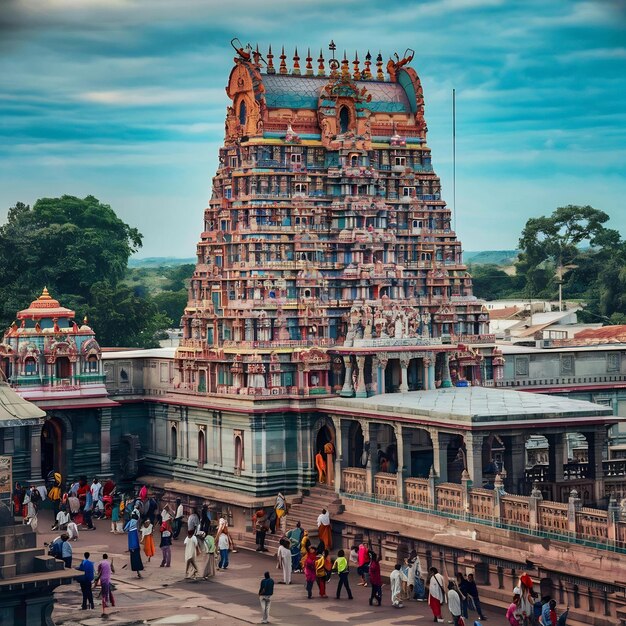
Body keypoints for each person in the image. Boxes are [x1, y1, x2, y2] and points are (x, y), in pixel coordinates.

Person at [124, 512, 144, 578]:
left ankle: (138, 572)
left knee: (134, 560)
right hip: (135, 548)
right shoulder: (134, 530)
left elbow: (125, 529)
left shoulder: (130, 529)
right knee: (137, 560)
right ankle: (138, 572)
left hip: (132, 547)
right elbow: (135, 540)